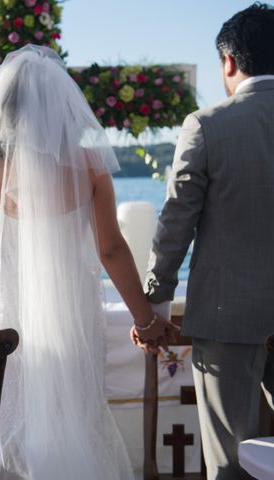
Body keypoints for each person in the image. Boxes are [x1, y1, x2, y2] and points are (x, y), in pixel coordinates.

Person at [0, 44, 178, 480]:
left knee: (8, 416)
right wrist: (145, 319)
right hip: (71, 308)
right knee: (75, 412)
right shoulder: (90, 167)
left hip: (6, 311)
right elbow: (111, 250)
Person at [145, 3, 274, 479]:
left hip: (228, 317)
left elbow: (176, 220)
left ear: (229, 62)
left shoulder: (207, 124)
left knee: (231, 461)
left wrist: (156, 303)